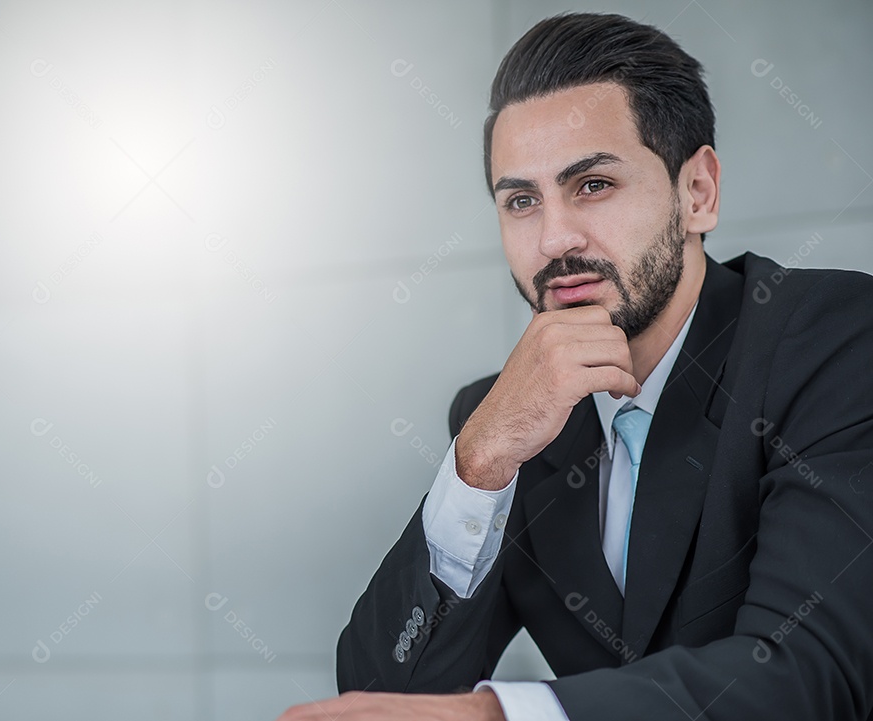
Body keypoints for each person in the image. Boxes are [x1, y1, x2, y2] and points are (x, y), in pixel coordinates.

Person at [275, 11, 873, 721]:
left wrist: (499, 715)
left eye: (592, 184)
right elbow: (381, 694)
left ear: (698, 192)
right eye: (522, 200)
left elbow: (810, 675)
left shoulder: (833, 337)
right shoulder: (507, 414)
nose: (555, 238)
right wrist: (479, 463)